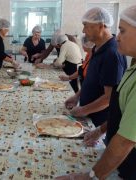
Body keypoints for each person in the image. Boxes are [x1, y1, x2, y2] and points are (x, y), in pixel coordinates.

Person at [56, 5, 136, 180]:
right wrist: (100, 129)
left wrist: (91, 176)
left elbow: (125, 140)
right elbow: (120, 109)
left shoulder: (112, 53)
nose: (118, 37)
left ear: (101, 25)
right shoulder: (99, 50)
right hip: (107, 136)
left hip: (126, 160)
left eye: (122, 31)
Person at [65, 7, 127, 127]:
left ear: (100, 26)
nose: (83, 30)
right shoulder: (97, 48)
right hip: (88, 115)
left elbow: (109, 98)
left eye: (86, 26)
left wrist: (83, 110)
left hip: (99, 122)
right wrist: (77, 96)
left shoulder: (111, 53)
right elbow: (91, 81)